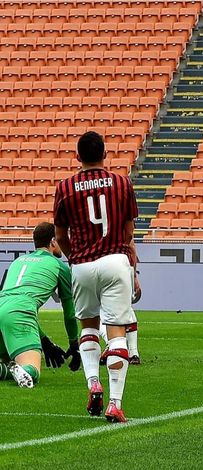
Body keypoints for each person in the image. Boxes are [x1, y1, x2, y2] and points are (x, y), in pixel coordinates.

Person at [53, 131, 138, 423]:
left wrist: (74, 256)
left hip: (83, 264)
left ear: (78, 157)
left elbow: (60, 235)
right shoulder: (122, 183)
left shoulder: (65, 187)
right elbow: (128, 231)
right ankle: (115, 403)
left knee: (88, 324)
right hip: (115, 260)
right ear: (105, 155)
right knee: (116, 331)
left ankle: (93, 383)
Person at [0, 222, 79, 388]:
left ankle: (7, 367)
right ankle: (19, 369)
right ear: (52, 241)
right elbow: (70, 314)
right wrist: (74, 345)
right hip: (19, 312)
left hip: (4, 305)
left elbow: (11, 303)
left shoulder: (17, 262)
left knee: (6, 358)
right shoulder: (60, 267)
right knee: (30, 372)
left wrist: (46, 342)